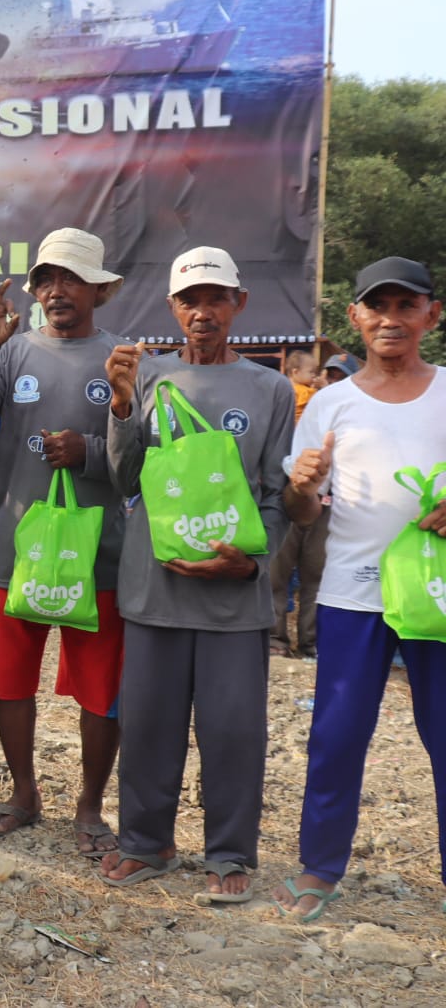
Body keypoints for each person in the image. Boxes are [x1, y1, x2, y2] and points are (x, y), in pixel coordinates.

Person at [97, 247, 294, 901]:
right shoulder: (147, 377)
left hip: (234, 598)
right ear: (173, 307)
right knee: (149, 723)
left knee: (233, 730)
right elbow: (126, 479)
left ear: (238, 304)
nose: (202, 311)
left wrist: (252, 565)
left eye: (215, 298)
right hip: (156, 587)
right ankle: (145, 843)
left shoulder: (269, 390)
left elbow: (273, 493)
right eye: (190, 299)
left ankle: (230, 854)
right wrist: (122, 406)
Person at [0, 227, 128, 856]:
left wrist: (92, 453)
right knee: (11, 682)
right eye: (47, 279)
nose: (57, 291)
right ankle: (24, 792)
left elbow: (138, 463)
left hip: (98, 555)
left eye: (72, 279)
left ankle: (90, 806)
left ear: (99, 289)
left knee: (102, 689)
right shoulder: (12, 351)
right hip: (16, 552)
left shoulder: (125, 360)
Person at [274, 256, 446, 922]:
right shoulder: (331, 404)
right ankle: (320, 868)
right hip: (353, 594)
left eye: (407, 306)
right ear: (355, 318)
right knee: (339, 733)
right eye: (379, 306)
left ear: (432, 315)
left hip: (435, 595)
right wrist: (301, 486)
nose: (392, 319)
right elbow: (301, 515)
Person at [270, 348, 328, 659]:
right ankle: (280, 640)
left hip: (323, 498)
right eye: (315, 372)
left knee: (313, 576)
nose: (319, 379)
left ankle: (307, 643)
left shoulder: (325, 401)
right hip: (285, 493)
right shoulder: (297, 397)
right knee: (279, 575)